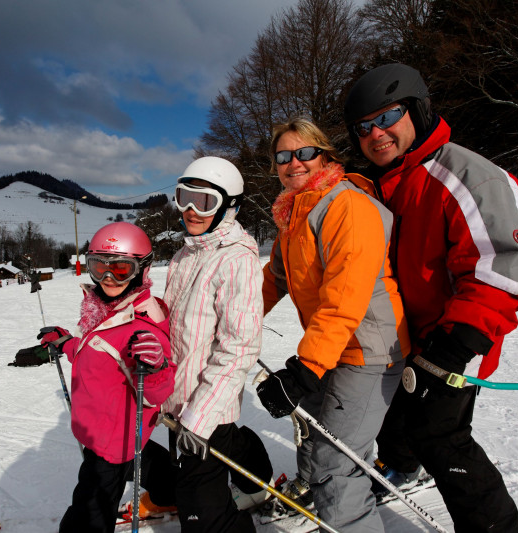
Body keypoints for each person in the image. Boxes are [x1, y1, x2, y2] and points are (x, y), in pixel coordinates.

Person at [343, 63, 518, 532]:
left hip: (450, 335)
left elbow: (498, 273)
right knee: (394, 410)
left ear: (418, 109)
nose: (376, 134)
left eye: (388, 117)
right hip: (404, 332)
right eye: (364, 127)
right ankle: (401, 463)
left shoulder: (463, 174)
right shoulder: (382, 184)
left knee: (439, 432)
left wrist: (449, 352)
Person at [254, 118, 411, 532]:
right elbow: (275, 280)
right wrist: (232, 323)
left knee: (336, 462)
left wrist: (304, 369)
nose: (294, 163)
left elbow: (346, 298)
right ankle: (310, 487)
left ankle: (338, 502)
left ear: (325, 155)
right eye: (284, 156)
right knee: (311, 420)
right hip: (334, 343)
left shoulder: (348, 206)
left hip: (368, 347)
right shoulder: (293, 213)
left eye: (305, 152)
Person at [38, 221, 178, 533]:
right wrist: (66, 342)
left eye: (120, 269)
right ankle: (172, 491)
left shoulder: (141, 326)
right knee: (143, 457)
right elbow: (96, 355)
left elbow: (157, 393)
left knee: (90, 507)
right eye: (99, 267)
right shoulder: (107, 311)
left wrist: (154, 367)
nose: (108, 278)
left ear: (142, 270)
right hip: (108, 427)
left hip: (109, 442)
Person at [161, 156, 273, 532]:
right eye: (184, 197)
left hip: (203, 411)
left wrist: (199, 417)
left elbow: (239, 347)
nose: (191, 210)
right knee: (228, 443)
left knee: (203, 516)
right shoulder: (185, 254)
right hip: (179, 400)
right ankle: (256, 479)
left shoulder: (235, 260)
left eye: (204, 201)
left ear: (229, 206)